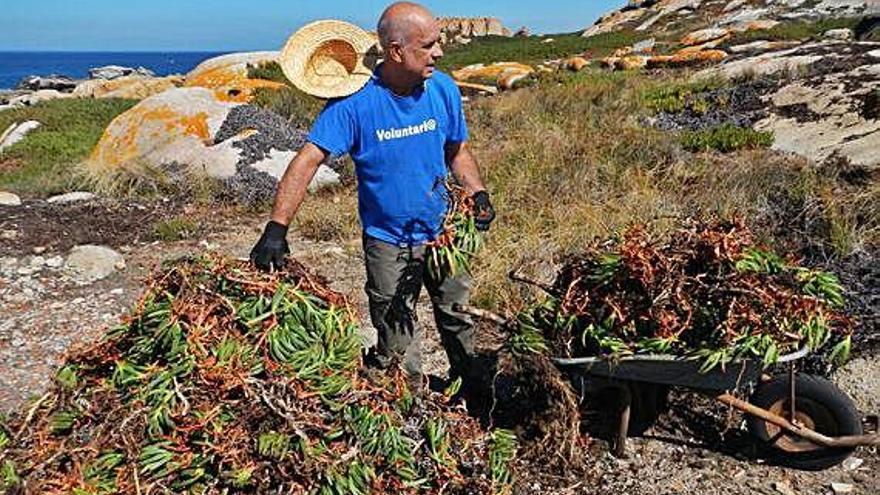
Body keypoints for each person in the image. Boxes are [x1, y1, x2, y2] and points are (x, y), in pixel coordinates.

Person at [250, 1, 495, 390]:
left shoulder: (443, 89)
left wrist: (477, 193)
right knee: (398, 339)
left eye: (438, 43)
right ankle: (410, 410)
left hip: (443, 232)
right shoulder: (354, 103)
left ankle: (474, 392)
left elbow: (457, 151)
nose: (440, 52)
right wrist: (276, 228)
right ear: (396, 51)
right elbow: (307, 160)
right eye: (428, 45)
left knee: (458, 315)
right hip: (388, 242)